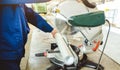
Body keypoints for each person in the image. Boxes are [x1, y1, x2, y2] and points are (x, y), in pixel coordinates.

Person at [0, 4, 57, 70]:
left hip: (16, 49)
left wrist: (51, 29)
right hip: (6, 51)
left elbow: (31, 15)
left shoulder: (19, 3)